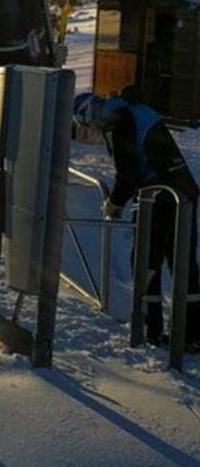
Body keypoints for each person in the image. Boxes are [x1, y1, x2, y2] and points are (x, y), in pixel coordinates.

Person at [80, 86, 200, 348]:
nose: (91, 131)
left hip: (157, 196)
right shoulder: (131, 109)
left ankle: (149, 329)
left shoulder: (117, 122)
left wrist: (115, 202)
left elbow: (129, 172)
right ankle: (191, 334)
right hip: (184, 191)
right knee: (183, 264)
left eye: (85, 124)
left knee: (146, 263)